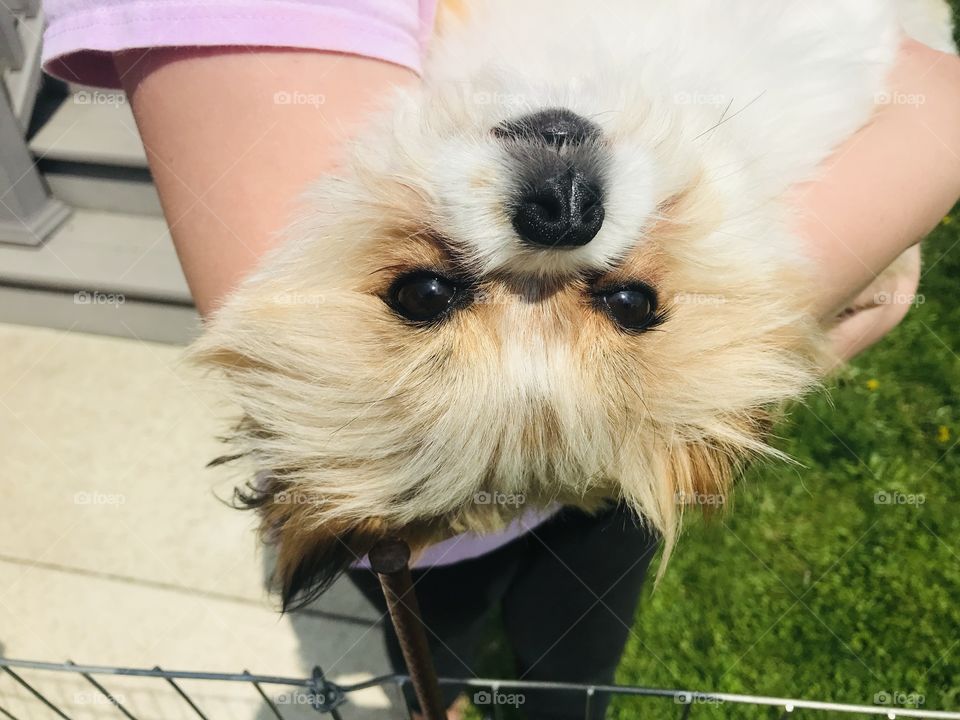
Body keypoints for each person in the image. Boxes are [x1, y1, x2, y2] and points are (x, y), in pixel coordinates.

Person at [41, 2, 960, 718]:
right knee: (431, 646)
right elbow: (935, 108)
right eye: (626, 303)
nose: (564, 220)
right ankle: (434, 695)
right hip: (427, 532)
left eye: (427, 294)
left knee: (576, 661)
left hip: (583, 496)